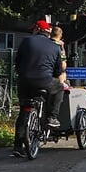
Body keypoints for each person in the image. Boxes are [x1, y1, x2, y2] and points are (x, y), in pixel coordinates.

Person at [13, 19, 65, 158]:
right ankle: (52, 118)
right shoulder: (55, 47)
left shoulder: (26, 41)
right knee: (59, 87)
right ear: (47, 32)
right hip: (44, 81)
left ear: (36, 29)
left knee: (24, 110)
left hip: (24, 81)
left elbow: (17, 62)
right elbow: (58, 70)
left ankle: (18, 146)